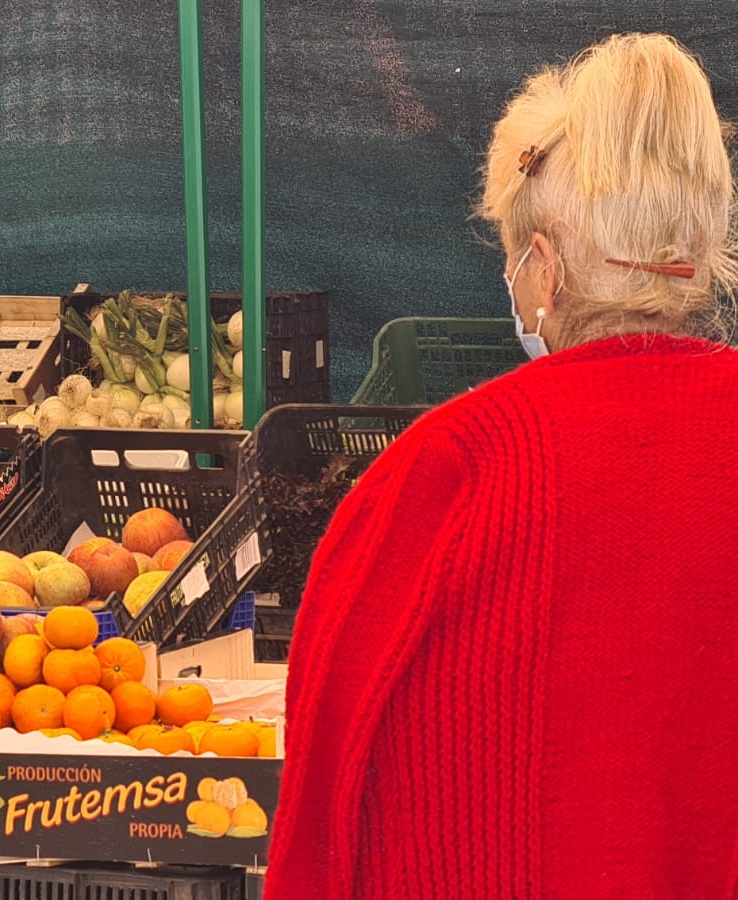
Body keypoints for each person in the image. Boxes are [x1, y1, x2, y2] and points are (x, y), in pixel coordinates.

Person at [266, 33, 738, 898]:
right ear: (700, 263)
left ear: (546, 267)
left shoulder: (441, 474)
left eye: (514, 260)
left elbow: (323, 806)